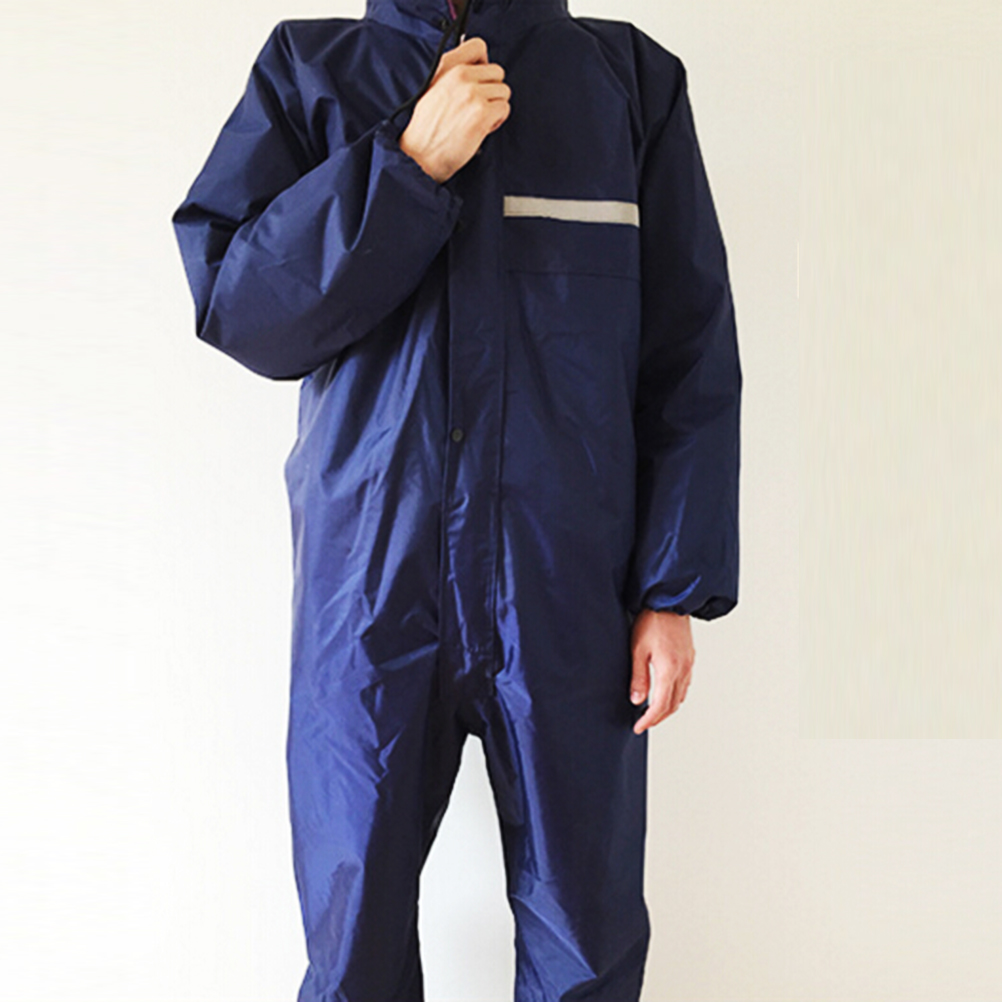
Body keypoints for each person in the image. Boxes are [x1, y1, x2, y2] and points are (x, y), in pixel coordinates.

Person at [171, 0, 741, 998]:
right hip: (369, 590)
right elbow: (242, 310)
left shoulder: (630, 85)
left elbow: (689, 352)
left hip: (569, 590)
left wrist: (672, 589)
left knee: (586, 945)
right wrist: (404, 165)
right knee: (354, 946)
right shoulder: (312, 71)